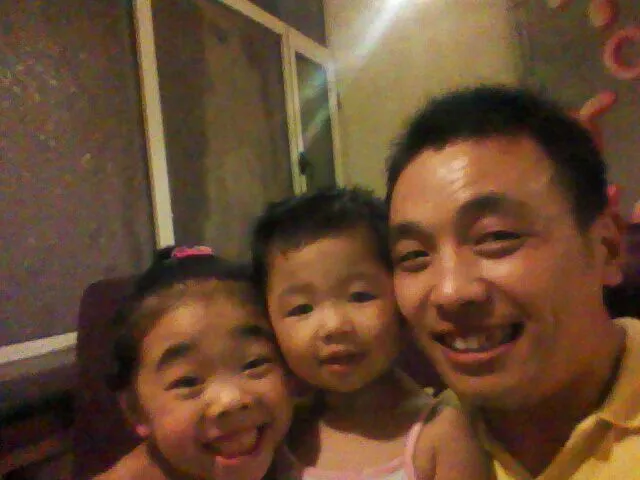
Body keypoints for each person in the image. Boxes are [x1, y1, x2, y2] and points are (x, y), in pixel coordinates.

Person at [386, 85, 640, 479]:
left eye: (496, 237)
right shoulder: (408, 448)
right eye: (413, 256)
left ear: (606, 247)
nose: (450, 292)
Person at [251, 187, 488, 479]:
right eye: (301, 309)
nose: (334, 326)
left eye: (360, 296)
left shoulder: (440, 435)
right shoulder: (275, 436)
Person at [94, 246, 293, 480]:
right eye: (187, 381)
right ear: (135, 410)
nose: (231, 400)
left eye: (254, 363)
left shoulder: (309, 444)